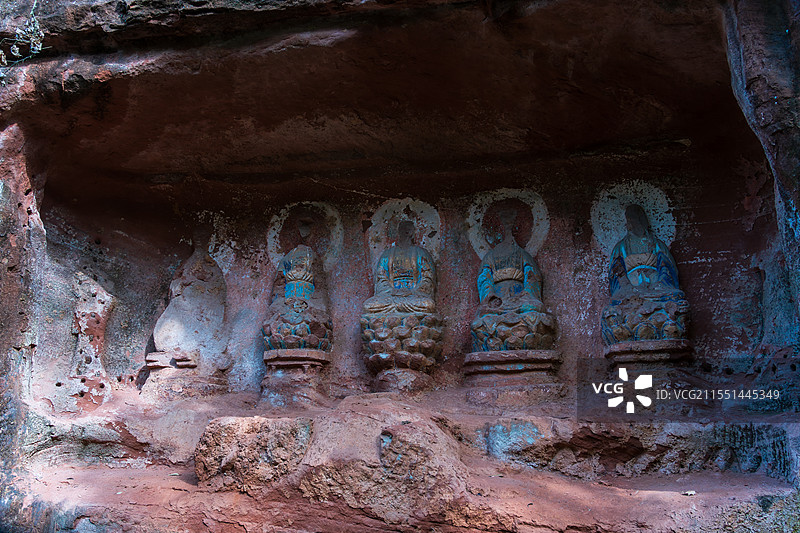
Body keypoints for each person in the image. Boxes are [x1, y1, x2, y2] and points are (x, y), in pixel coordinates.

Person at [363, 220, 436, 315]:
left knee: (428, 305)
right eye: (403, 230)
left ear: (413, 233)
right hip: (390, 295)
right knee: (368, 306)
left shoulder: (421, 253)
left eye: (409, 230)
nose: (406, 233)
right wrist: (392, 291)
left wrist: (413, 291)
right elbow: (381, 278)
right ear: (398, 232)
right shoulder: (387, 255)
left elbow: (428, 278)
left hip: (414, 296)